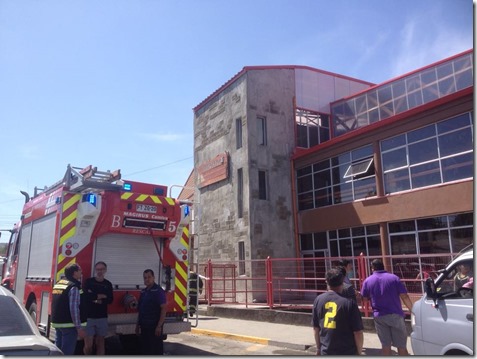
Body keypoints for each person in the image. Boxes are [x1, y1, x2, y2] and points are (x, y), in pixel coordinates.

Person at [361, 259, 413, 356]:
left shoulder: (367, 281)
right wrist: (412, 310)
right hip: (395, 315)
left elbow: (364, 299)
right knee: (401, 346)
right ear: (383, 266)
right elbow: (404, 296)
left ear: (372, 268)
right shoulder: (394, 278)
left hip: (379, 316)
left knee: (385, 346)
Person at [312, 267, 364, 355]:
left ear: (327, 282)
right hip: (347, 351)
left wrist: (318, 348)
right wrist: (359, 352)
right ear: (342, 282)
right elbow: (358, 332)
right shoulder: (349, 303)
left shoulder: (318, 300)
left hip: (326, 350)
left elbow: (316, 328)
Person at [51, 263, 87, 355]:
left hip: (58, 323)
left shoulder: (59, 283)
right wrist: (79, 328)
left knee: (58, 350)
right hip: (69, 325)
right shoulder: (73, 287)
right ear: (74, 273)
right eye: (80, 271)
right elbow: (74, 308)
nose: (81, 273)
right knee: (67, 352)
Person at [83, 261, 114, 355]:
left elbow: (110, 300)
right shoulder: (89, 282)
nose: (99, 271)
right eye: (98, 269)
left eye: (102, 269)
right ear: (95, 270)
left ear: (105, 270)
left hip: (102, 317)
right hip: (89, 317)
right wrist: (100, 296)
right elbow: (86, 297)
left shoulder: (108, 284)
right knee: (88, 345)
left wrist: (94, 297)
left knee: (100, 343)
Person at [135, 269, 168, 355]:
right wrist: (137, 325)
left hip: (154, 327)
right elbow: (141, 310)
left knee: (155, 350)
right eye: (145, 278)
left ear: (154, 277)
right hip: (144, 326)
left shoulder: (158, 291)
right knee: (146, 350)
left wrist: (159, 326)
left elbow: (163, 309)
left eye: (149, 277)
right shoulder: (143, 292)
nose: (147, 279)